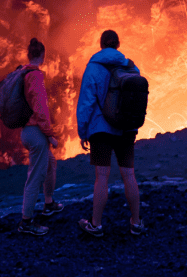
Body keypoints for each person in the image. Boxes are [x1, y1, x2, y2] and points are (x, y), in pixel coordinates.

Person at [76, 29, 145, 238]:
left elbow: (86, 103)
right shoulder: (131, 66)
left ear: (101, 45)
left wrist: (83, 131)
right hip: (125, 129)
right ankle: (136, 223)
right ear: (118, 45)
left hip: (101, 130)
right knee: (129, 175)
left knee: (102, 177)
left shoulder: (93, 69)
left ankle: (95, 225)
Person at [17, 37, 64, 236]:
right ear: (43, 56)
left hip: (27, 130)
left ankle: (49, 203)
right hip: (36, 133)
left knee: (50, 164)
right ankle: (26, 221)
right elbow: (41, 109)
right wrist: (50, 134)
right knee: (35, 176)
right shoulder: (35, 76)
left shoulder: (22, 73)